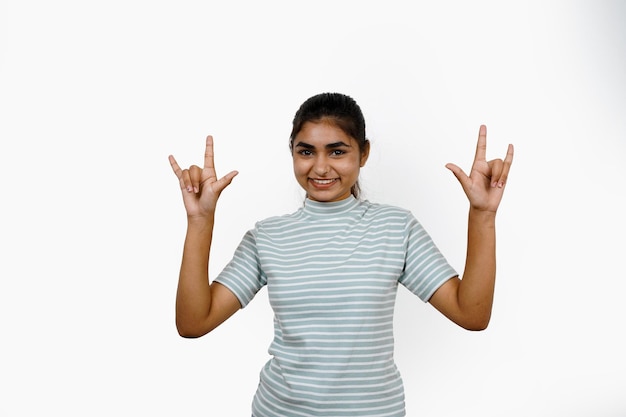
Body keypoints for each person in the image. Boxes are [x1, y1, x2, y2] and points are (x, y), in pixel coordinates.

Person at [168, 92, 514, 417]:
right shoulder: (267, 237)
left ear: (363, 153)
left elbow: (472, 314)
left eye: (337, 151)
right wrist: (200, 219)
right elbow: (194, 323)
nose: (320, 167)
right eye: (306, 152)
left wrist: (483, 214)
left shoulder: (396, 228)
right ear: (292, 153)